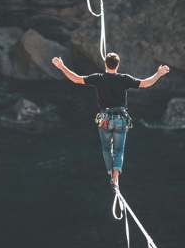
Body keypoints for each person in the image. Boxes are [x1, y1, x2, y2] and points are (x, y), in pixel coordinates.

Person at [51, 53, 170, 190]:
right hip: (120, 118)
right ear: (118, 65)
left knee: (107, 148)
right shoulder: (124, 78)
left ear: (105, 64)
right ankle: (115, 179)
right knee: (119, 151)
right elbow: (145, 83)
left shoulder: (99, 78)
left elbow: (76, 79)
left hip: (105, 119)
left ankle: (111, 174)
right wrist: (159, 74)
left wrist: (62, 67)